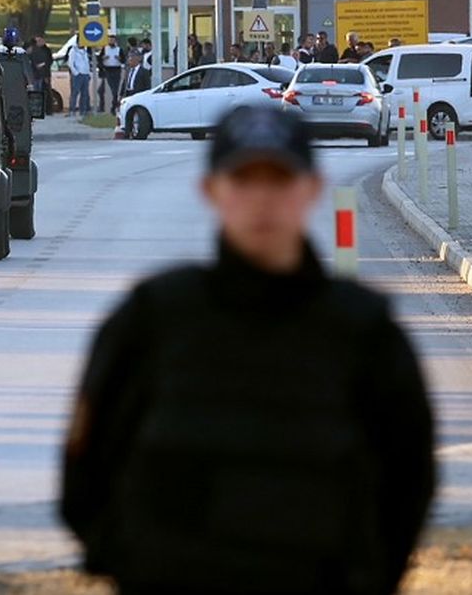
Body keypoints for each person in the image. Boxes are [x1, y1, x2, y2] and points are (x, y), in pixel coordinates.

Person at [60, 106, 435, 595]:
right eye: (243, 180)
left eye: (279, 180)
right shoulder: (152, 320)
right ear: (212, 190)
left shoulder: (363, 334)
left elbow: (409, 481)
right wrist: (133, 564)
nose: (262, 200)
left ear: (310, 190)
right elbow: (85, 473)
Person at [99, 36, 124, 114]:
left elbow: (124, 60)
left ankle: (114, 105)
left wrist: (119, 58)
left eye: (112, 40)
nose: (111, 42)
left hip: (116, 69)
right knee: (111, 88)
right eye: (110, 40)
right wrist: (103, 58)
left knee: (115, 89)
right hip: (108, 70)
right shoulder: (105, 49)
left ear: (115, 41)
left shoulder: (119, 49)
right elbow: (99, 59)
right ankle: (113, 105)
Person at [69, 44, 92, 116]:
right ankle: (72, 110)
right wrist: (76, 73)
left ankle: (83, 110)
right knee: (75, 93)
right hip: (78, 75)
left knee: (85, 94)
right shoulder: (73, 51)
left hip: (85, 74)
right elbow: (70, 63)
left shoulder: (85, 51)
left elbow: (87, 63)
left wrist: (88, 73)